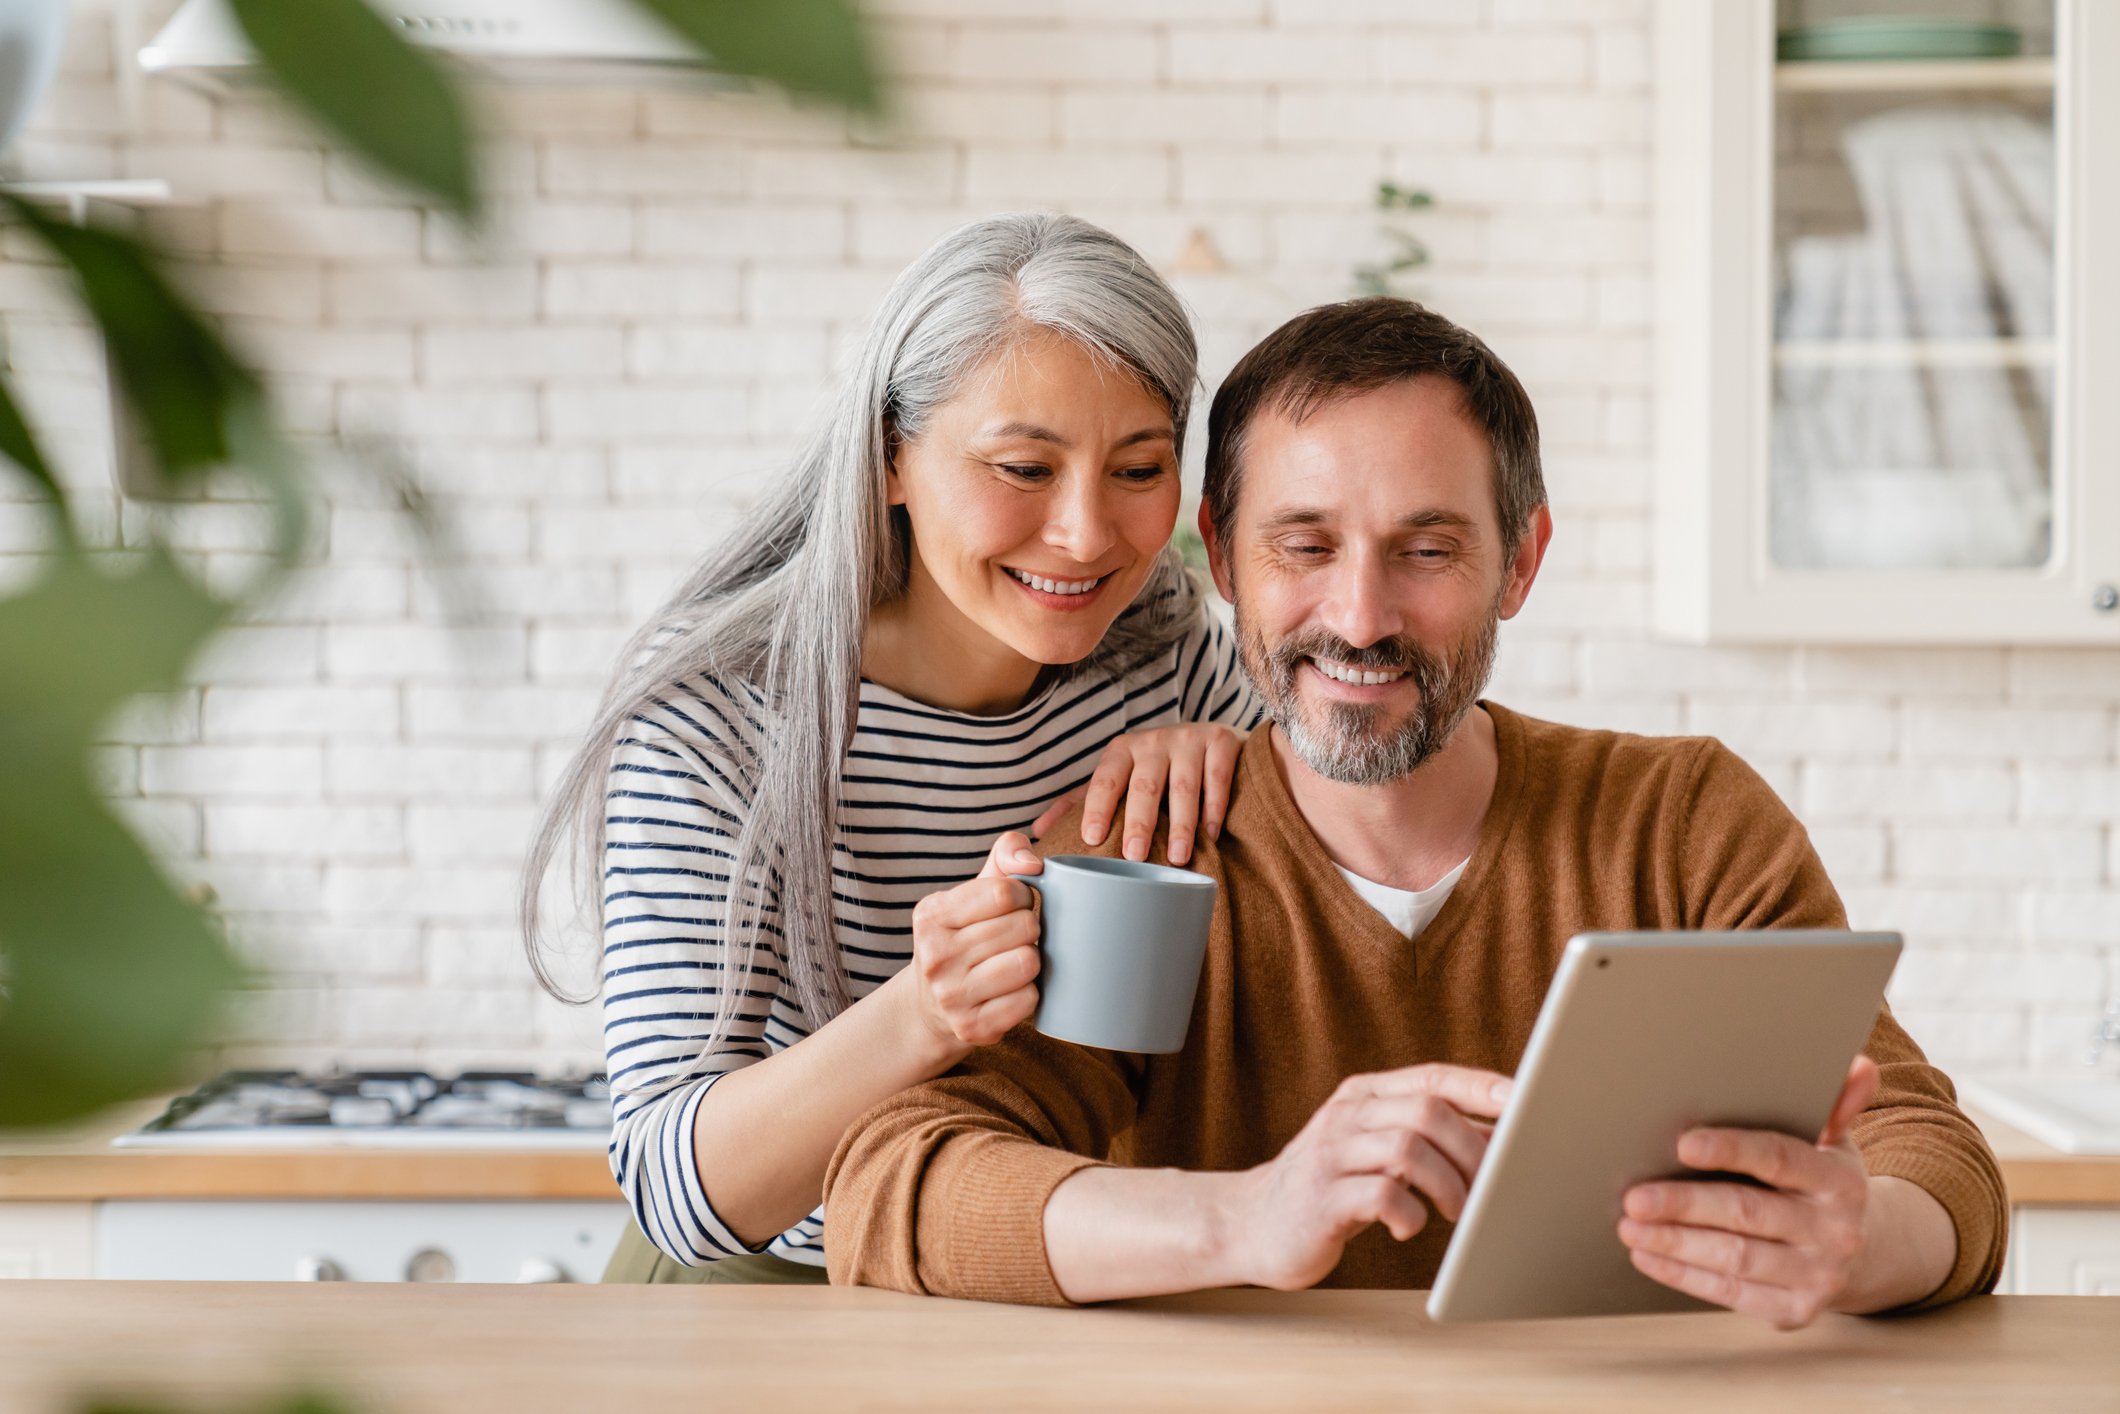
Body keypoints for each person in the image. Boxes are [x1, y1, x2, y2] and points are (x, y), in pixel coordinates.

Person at [823, 297, 2007, 1327]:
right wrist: (1247, 1216)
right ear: (1223, 566)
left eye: (1425, 549)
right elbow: (892, 1188)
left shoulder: (1680, 823)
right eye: (1303, 545)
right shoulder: (1140, 850)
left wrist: (1860, 1243)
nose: (1360, 613)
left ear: (1518, 563)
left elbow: (1933, 1159)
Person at [522, 214, 1262, 1284]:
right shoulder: (723, 710)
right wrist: (925, 1011)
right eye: (1021, 466)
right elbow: (676, 1189)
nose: (1086, 533)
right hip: (771, 1287)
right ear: (888, 460)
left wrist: (1241, 764)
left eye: (1137, 468)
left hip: (1030, 1268)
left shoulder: (1164, 658)